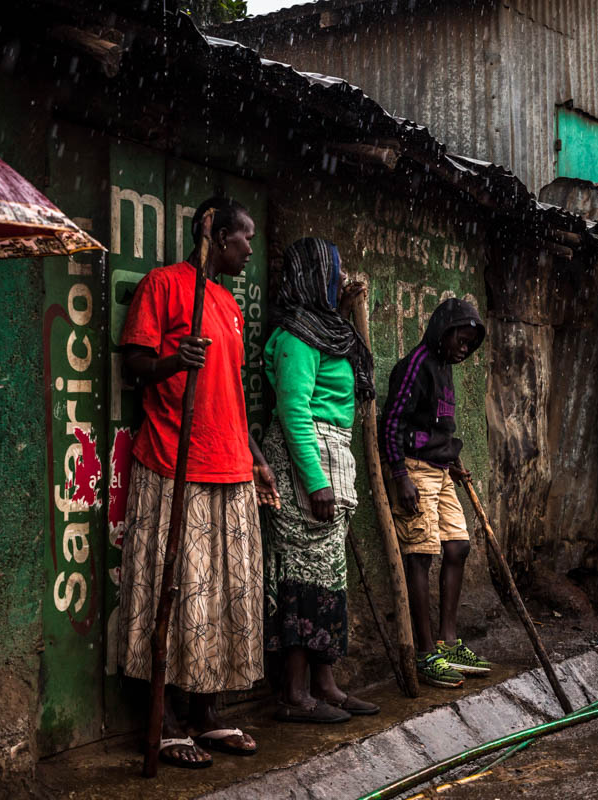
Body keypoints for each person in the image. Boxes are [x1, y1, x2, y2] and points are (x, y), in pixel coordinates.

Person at [117, 196, 280, 769]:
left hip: (230, 463)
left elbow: (231, 394)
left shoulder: (228, 303)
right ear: (214, 233)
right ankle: (161, 725)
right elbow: (134, 362)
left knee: (223, 598)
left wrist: (257, 457)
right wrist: (170, 362)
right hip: (173, 460)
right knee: (177, 594)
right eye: (244, 238)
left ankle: (206, 716)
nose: (250, 248)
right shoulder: (165, 285)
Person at [261, 237, 379, 723]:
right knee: (302, 578)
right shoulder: (295, 336)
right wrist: (315, 482)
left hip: (336, 456)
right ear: (313, 276)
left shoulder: (330, 331)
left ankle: (325, 684)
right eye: (332, 270)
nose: (338, 278)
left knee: (330, 576)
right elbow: (292, 411)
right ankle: (293, 693)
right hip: (304, 464)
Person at [378, 297, 492, 688]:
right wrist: (399, 475)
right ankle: (426, 653)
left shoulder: (444, 368)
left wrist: (453, 462)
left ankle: (447, 642)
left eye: (470, 344)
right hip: (413, 469)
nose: (465, 348)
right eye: (462, 340)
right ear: (445, 330)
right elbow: (392, 421)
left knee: (458, 546)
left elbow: (438, 428)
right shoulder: (417, 365)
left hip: (441, 470)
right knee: (421, 554)